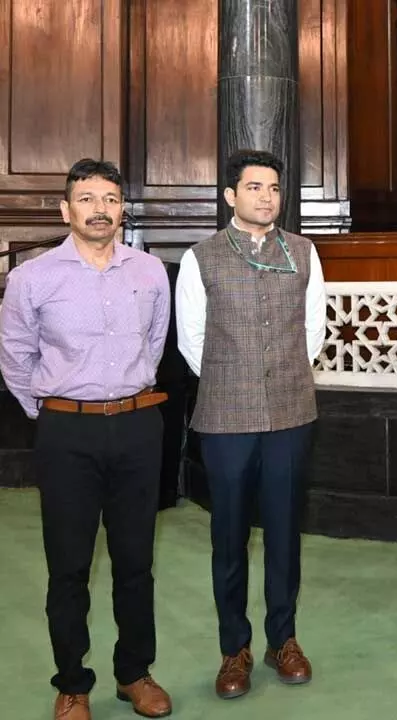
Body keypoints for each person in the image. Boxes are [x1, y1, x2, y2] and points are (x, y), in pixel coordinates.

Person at [0, 159, 172, 720]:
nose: (100, 209)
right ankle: (72, 683)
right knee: (69, 565)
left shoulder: (150, 272)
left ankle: (135, 674)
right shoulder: (32, 278)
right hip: (65, 432)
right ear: (65, 209)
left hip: (138, 427)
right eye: (87, 198)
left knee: (135, 561)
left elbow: (156, 341)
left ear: (123, 208)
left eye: (110, 199)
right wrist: (53, 413)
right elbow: (16, 357)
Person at [175, 149, 326, 699]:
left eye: (274, 188)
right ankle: (233, 649)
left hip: (291, 412)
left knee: (285, 533)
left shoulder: (305, 253)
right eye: (255, 187)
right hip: (225, 414)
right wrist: (236, 380)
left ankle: (282, 639)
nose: (267, 196)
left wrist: (278, 377)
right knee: (229, 535)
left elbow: (315, 333)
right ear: (230, 196)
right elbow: (192, 342)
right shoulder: (202, 258)